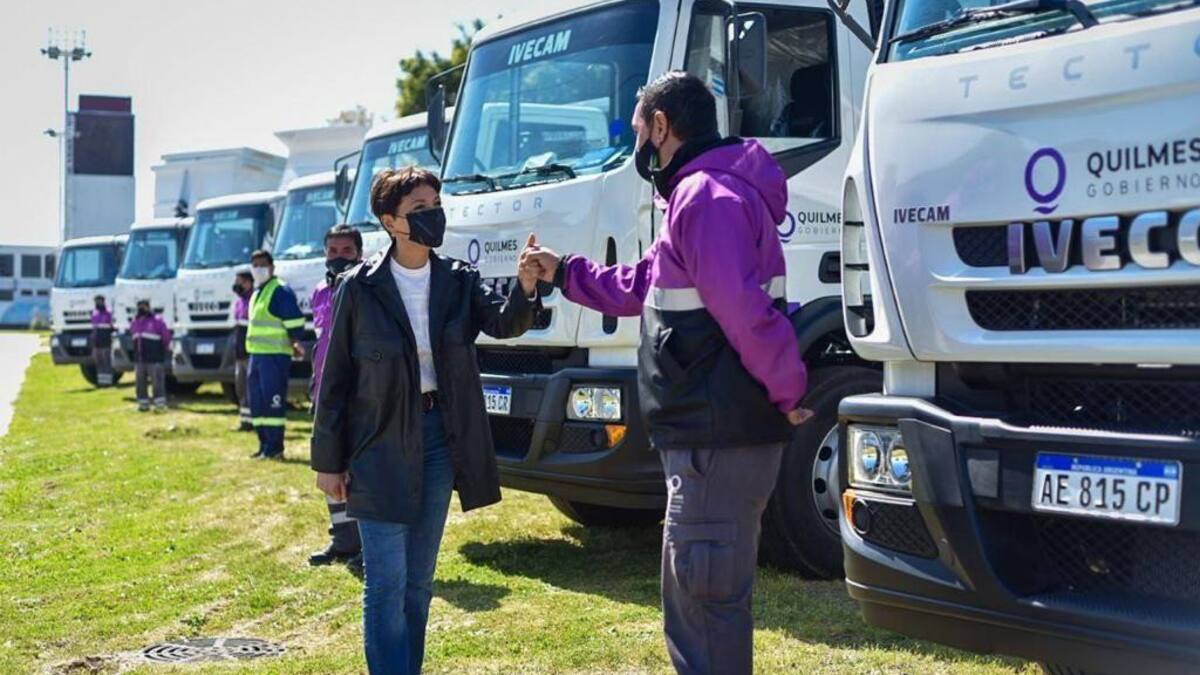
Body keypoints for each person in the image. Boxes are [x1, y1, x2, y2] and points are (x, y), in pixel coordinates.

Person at [521, 72, 814, 675]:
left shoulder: (704, 197)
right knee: (701, 599)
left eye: (637, 131)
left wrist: (789, 391)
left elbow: (744, 312)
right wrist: (563, 271)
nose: (637, 146)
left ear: (661, 126)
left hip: (715, 435)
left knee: (703, 605)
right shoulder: (700, 195)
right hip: (711, 432)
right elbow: (641, 284)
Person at [311, 167, 540, 675]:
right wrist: (328, 461)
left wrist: (525, 286)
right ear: (390, 221)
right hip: (376, 443)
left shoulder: (458, 280)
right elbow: (336, 381)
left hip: (439, 438)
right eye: (419, 209)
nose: (433, 215)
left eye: (436, 205)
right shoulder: (359, 288)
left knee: (418, 582)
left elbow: (505, 323)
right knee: (385, 582)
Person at [307, 224, 364, 574]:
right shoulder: (319, 291)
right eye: (332, 251)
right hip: (324, 395)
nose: (338, 258)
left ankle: (368, 545)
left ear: (359, 253)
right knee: (328, 466)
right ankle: (343, 541)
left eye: (346, 251)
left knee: (361, 473)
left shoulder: (366, 289)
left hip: (357, 396)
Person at [246, 250, 305, 460]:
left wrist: (295, 341)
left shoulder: (280, 290)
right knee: (256, 403)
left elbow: (295, 321)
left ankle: (275, 448)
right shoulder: (257, 292)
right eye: (254, 265)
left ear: (272, 267)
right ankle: (264, 445)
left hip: (275, 356)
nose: (258, 269)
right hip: (256, 355)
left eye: (262, 265)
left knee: (273, 402)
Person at [129, 299, 172, 412]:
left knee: (157, 382)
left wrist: (164, 350)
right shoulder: (135, 322)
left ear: (149, 307)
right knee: (140, 383)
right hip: (140, 359)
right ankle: (143, 404)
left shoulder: (157, 321)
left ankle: (160, 405)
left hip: (154, 358)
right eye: (139, 306)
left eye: (144, 306)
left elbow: (166, 337)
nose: (141, 309)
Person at [230, 271, 254, 432]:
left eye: (239, 281)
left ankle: (254, 421)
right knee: (241, 388)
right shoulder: (239, 302)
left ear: (248, 282)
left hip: (251, 352)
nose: (236, 285)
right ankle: (245, 420)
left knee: (251, 388)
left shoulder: (254, 299)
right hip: (239, 353)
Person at [90, 295, 115, 387]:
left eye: (99, 301)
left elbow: (111, 326)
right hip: (97, 341)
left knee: (107, 361)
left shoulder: (108, 313)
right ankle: (101, 382)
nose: (97, 303)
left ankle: (108, 381)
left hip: (106, 340)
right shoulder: (94, 313)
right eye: (96, 301)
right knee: (99, 362)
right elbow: (94, 328)